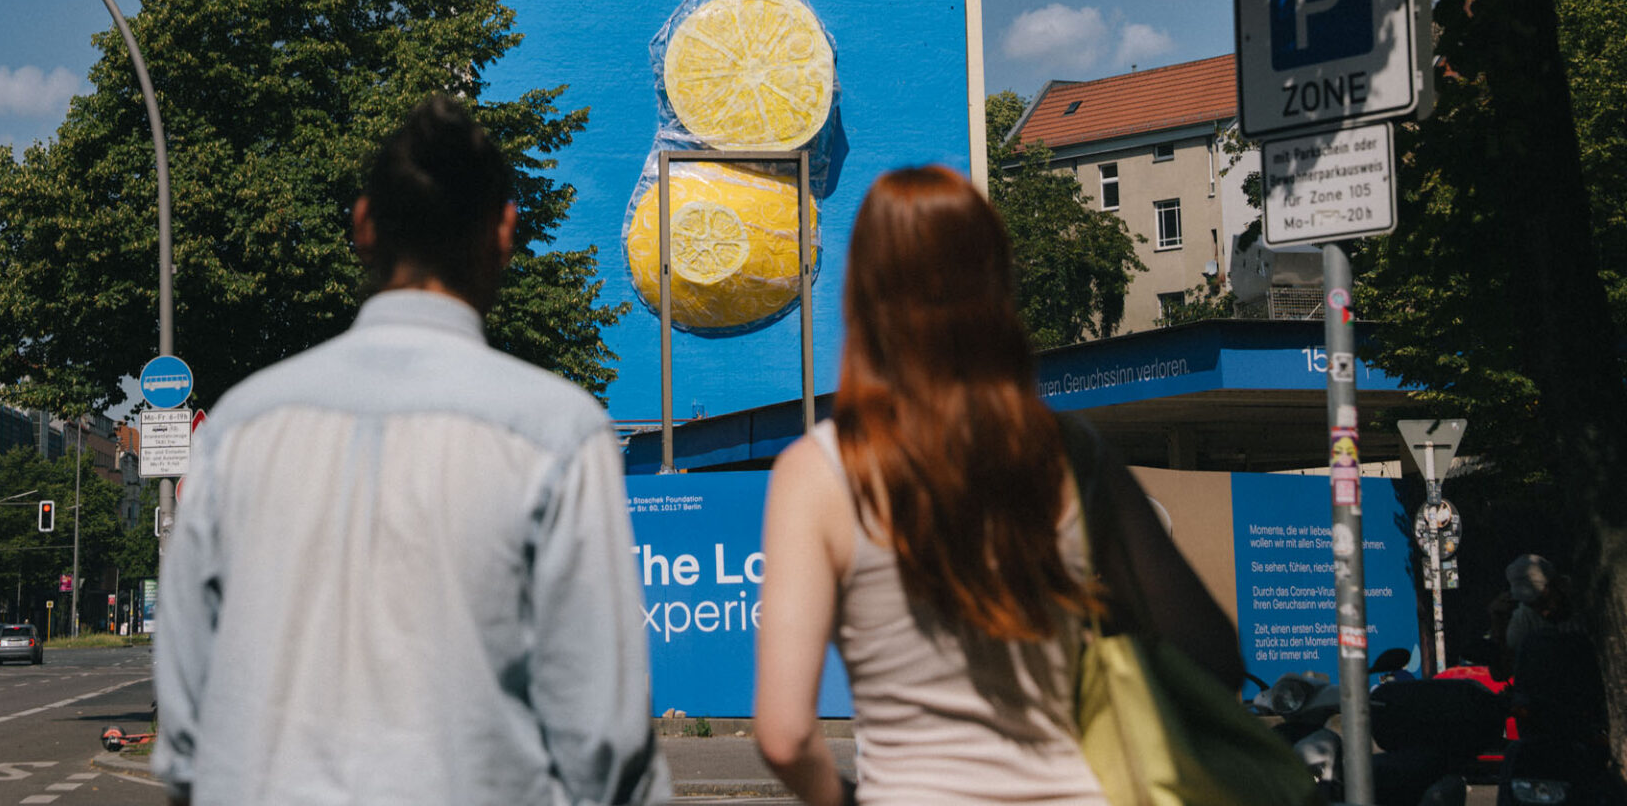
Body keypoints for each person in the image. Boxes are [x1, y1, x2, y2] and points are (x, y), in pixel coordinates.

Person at [154, 94, 669, 805]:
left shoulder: (240, 429)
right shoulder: (557, 433)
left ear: (363, 226)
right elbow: (603, 743)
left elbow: (186, 728)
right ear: (505, 232)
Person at [754, 165, 1242, 805]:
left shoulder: (816, 474)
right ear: (993, 286)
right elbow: (1214, 658)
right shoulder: (1071, 456)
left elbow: (785, 736)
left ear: (864, 295)